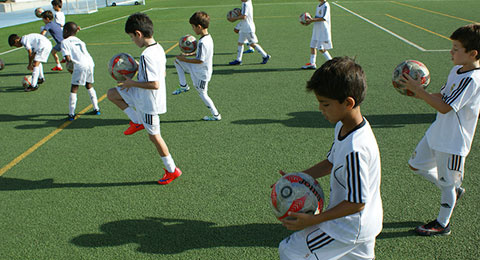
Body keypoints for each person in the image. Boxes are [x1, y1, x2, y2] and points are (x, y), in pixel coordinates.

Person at [278, 57, 382, 260]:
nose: (320, 109)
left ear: (348, 102)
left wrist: (314, 220)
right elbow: (330, 162)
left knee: (290, 251)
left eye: (325, 104)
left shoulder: (356, 149)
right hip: (366, 222)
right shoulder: (345, 127)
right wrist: (297, 177)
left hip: (348, 228)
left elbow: (356, 202)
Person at [401, 24, 480, 236]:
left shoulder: (472, 80)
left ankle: (443, 223)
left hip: (453, 142)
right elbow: (443, 97)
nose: (451, 52)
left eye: (456, 48)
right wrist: (418, 92)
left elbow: (445, 108)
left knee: (447, 183)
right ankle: (452, 190)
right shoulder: (457, 70)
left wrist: (418, 91)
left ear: (472, 54)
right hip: (438, 132)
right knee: (416, 165)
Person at [106, 13, 181, 185]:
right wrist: (139, 70)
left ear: (138, 34)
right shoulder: (157, 48)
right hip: (143, 96)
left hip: (148, 103)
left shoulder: (147, 55)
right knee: (112, 94)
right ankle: (136, 121)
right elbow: (160, 73)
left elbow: (155, 84)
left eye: (132, 37)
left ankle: (172, 170)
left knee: (155, 137)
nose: (133, 41)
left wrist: (131, 82)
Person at [172, 11, 221, 121]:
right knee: (177, 61)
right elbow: (201, 53)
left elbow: (200, 60)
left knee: (203, 94)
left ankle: (216, 115)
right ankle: (183, 86)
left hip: (202, 73)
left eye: (193, 27)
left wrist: (185, 59)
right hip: (198, 69)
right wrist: (188, 55)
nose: (193, 29)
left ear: (199, 27)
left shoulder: (203, 42)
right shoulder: (207, 38)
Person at [61, 22, 100, 120]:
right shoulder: (80, 40)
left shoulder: (64, 42)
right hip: (90, 63)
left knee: (74, 88)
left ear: (65, 31)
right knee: (89, 85)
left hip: (80, 65)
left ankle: (71, 113)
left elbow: (68, 58)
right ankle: (96, 108)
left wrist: (70, 68)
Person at [228, 0, 271, 65]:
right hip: (244, 27)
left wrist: (234, 18)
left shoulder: (246, 4)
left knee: (252, 44)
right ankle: (238, 60)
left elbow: (244, 16)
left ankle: (265, 56)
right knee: (240, 43)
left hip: (248, 28)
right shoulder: (245, 2)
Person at [302, 0, 333, 70]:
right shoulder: (319, 5)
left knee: (320, 48)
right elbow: (317, 17)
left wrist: (312, 20)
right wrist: (309, 21)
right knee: (312, 45)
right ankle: (312, 63)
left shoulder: (326, 5)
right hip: (317, 29)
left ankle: (331, 62)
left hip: (322, 29)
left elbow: (323, 18)